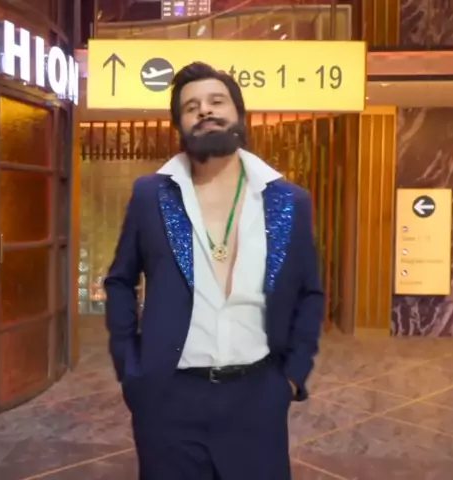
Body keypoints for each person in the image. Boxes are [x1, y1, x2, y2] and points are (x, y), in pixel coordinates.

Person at [104, 62, 324, 480]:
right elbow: (119, 280)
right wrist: (131, 369)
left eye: (216, 101)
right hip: (168, 398)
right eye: (191, 107)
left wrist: (293, 376)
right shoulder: (151, 195)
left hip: (258, 396)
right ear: (180, 125)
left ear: (239, 113)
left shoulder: (288, 201)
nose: (204, 110)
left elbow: (309, 292)